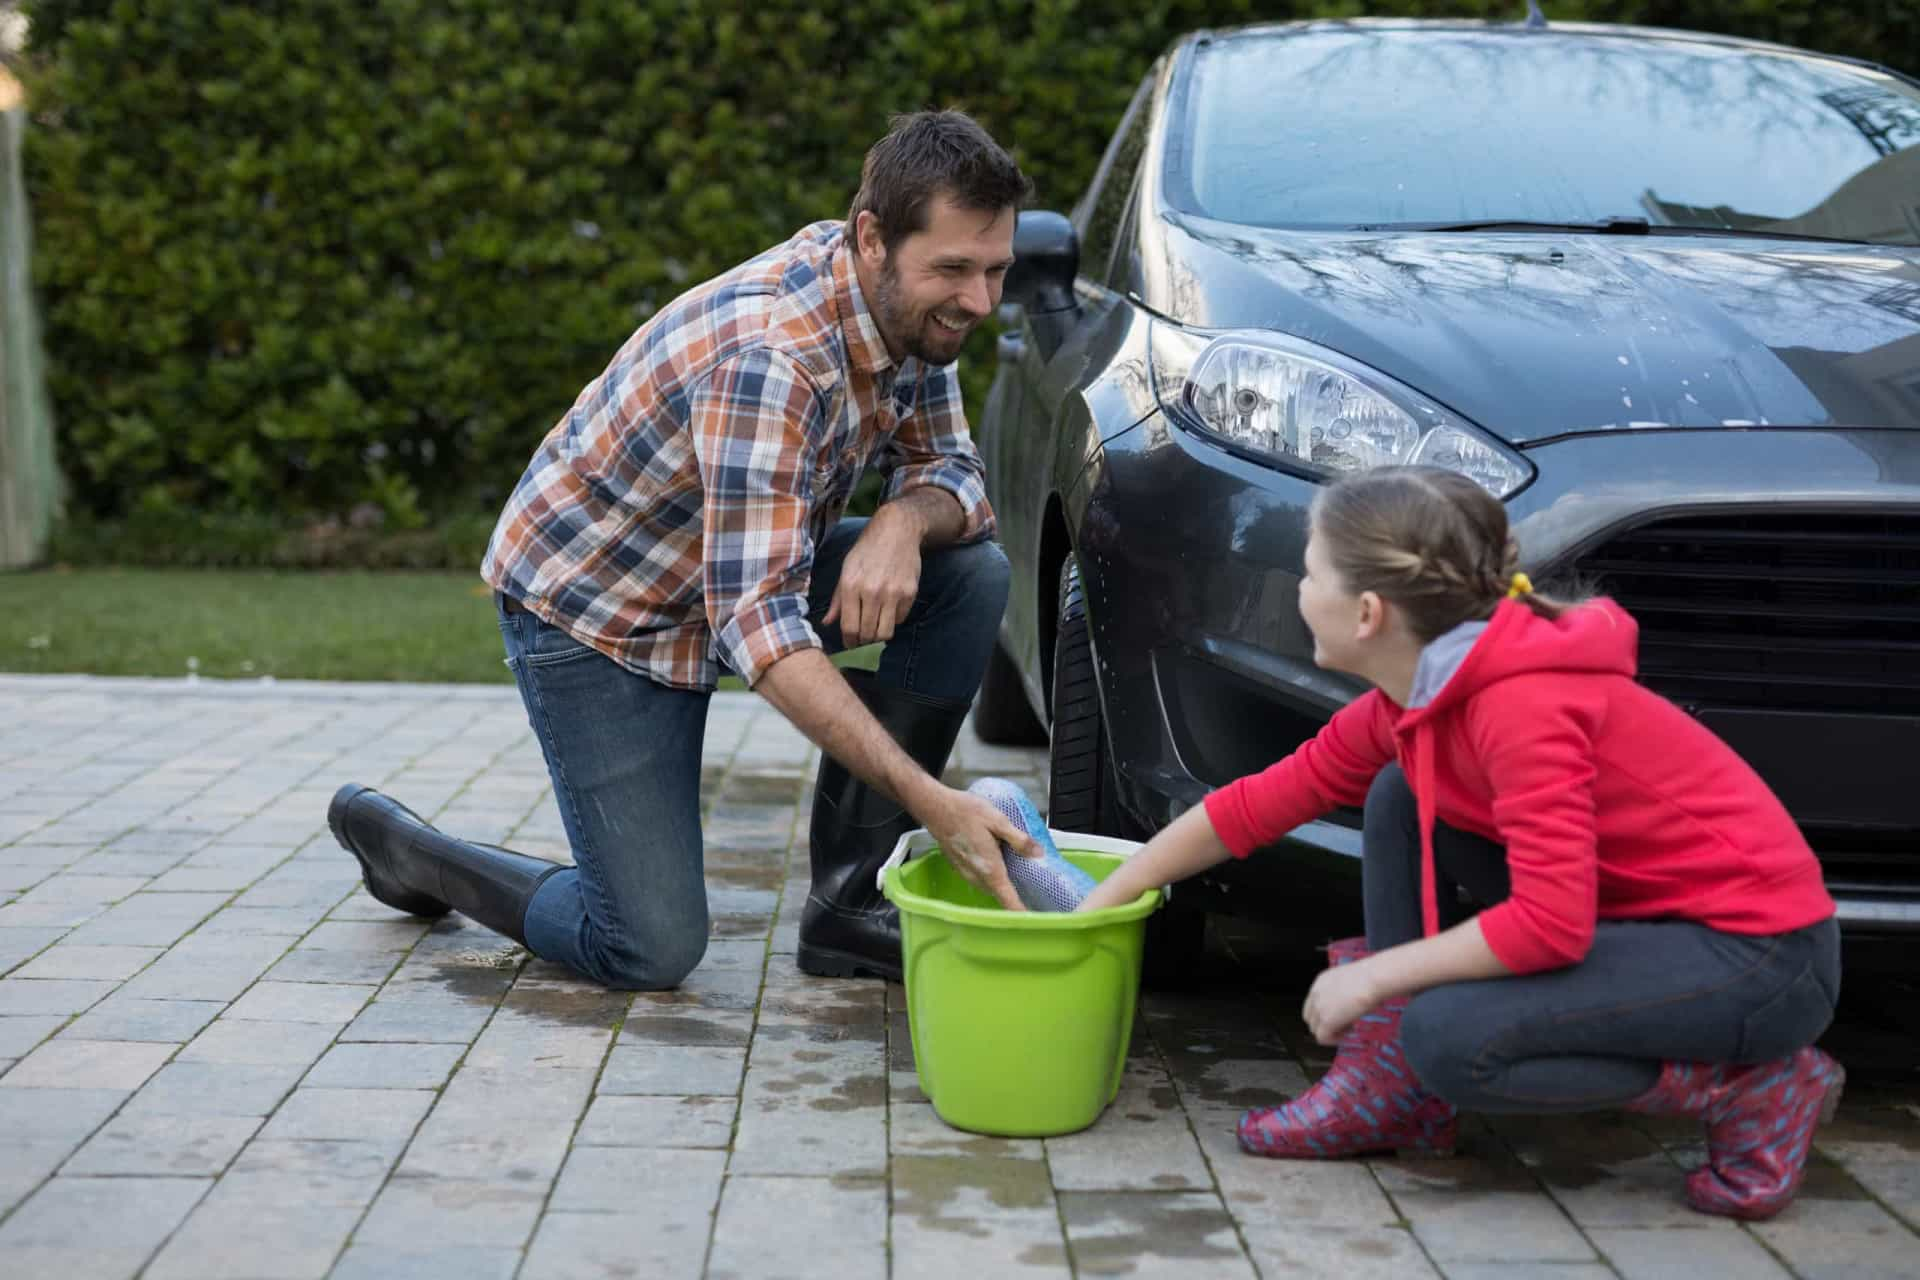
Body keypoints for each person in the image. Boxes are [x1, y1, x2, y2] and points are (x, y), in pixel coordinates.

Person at [328, 110, 1040, 991]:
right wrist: (933, 805)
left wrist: (901, 523)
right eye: (955, 270)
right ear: (871, 240)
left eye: (995, 270)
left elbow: (956, 478)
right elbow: (762, 630)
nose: (979, 301)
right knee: (647, 947)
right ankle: (415, 855)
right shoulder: (769, 359)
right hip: (602, 614)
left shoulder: (915, 311)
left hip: (735, 568)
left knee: (967, 575)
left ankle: (850, 910)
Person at [1079, 465, 1843, 1221]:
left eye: (1310, 574)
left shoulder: (1520, 707)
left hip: (1761, 960)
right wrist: (1103, 898)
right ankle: (1390, 1089)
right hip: (1652, 931)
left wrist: (1376, 978)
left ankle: (1755, 1088)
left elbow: (1551, 924)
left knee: (1447, 1041)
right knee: (1402, 792)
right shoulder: (1417, 698)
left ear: (1369, 612)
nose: (1299, 591)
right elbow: (1254, 807)